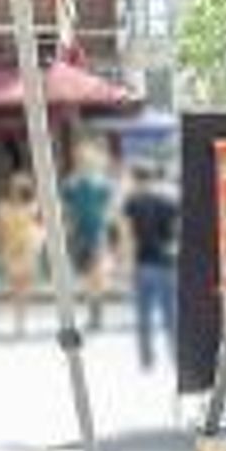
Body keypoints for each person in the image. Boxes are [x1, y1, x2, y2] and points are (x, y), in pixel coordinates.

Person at [119, 162, 179, 371]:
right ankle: (175, 356)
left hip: (143, 263)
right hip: (168, 264)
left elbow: (127, 237)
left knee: (143, 315)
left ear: (135, 179)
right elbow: (176, 233)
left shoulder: (131, 203)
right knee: (170, 315)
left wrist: (125, 265)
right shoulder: (169, 202)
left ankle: (146, 360)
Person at [61, 140, 117, 330]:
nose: (84, 161)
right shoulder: (71, 183)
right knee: (86, 275)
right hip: (79, 233)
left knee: (97, 273)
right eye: (81, 158)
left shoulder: (102, 183)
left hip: (97, 231)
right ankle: (93, 310)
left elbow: (110, 209)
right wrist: (67, 231)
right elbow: (66, 210)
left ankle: (96, 312)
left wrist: (107, 227)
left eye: (87, 157)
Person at [0, 171, 46, 336]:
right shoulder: (2, 207)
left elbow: (42, 226)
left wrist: (39, 239)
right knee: (15, 287)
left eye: (19, 187)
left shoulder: (34, 206)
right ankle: (18, 320)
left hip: (28, 249)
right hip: (11, 249)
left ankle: (20, 322)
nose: (16, 190)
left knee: (23, 287)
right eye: (13, 186)